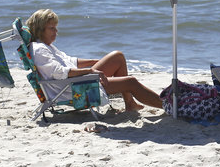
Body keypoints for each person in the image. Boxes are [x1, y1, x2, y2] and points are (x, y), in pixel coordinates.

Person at [25, 9, 164, 111]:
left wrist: (95, 61)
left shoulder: (47, 47)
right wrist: (91, 71)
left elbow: (71, 61)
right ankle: (168, 106)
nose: (56, 32)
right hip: (74, 88)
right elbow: (60, 72)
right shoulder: (39, 49)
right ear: (40, 29)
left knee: (117, 57)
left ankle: (130, 103)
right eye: (51, 29)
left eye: (56, 28)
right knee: (131, 82)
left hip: (75, 81)